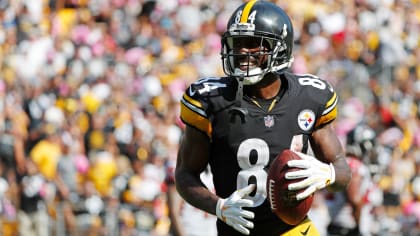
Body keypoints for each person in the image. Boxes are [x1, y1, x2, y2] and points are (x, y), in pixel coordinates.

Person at [175, 1, 351, 235]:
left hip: (295, 230)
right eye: (237, 43)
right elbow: (185, 174)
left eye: (252, 44)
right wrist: (219, 206)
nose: (242, 52)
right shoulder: (210, 101)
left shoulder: (310, 97)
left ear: (280, 48)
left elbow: (341, 169)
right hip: (238, 231)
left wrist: (327, 174)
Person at [326, 124, 382, 236]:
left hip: (339, 225)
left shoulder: (344, 162)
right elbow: (355, 198)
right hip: (347, 228)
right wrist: (358, 226)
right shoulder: (354, 165)